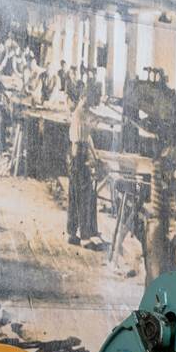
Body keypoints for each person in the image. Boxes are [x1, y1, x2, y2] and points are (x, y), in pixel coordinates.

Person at [66, 81, 103, 248]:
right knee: (84, 195)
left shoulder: (82, 112)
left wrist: (95, 156)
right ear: (85, 97)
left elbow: (88, 138)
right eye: (93, 99)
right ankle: (85, 238)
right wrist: (123, 123)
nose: (93, 103)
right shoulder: (81, 112)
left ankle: (72, 233)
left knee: (75, 194)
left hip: (77, 155)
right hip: (78, 157)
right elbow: (97, 120)